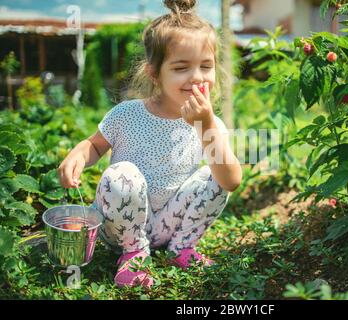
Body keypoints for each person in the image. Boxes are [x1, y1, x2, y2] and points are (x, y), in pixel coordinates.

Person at [57, 0, 242, 289]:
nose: (197, 77)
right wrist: (78, 155)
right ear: (154, 72)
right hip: (121, 226)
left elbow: (231, 182)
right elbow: (93, 146)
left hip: (170, 224)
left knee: (215, 175)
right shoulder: (126, 114)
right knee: (123, 174)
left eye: (206, 66)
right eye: (181, 67)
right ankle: (133, 253)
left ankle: (181, 249)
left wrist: (206, 126)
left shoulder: (210, 125)